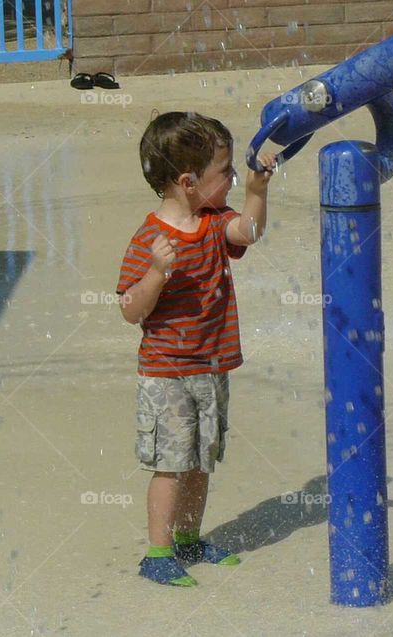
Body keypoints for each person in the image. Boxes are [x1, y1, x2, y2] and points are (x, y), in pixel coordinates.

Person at [115, 111, 277, 586]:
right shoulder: (151, 239)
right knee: (170, 464)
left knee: (202, 459)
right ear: (188, 181)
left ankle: (189, 538)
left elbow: (247, 233)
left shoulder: (212, 220)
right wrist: (155, 274)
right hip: (166, 372)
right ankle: (158, 552)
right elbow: (130, 310)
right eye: (224, 173)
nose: (230, 179)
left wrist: (256, 191)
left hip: (211, 366)